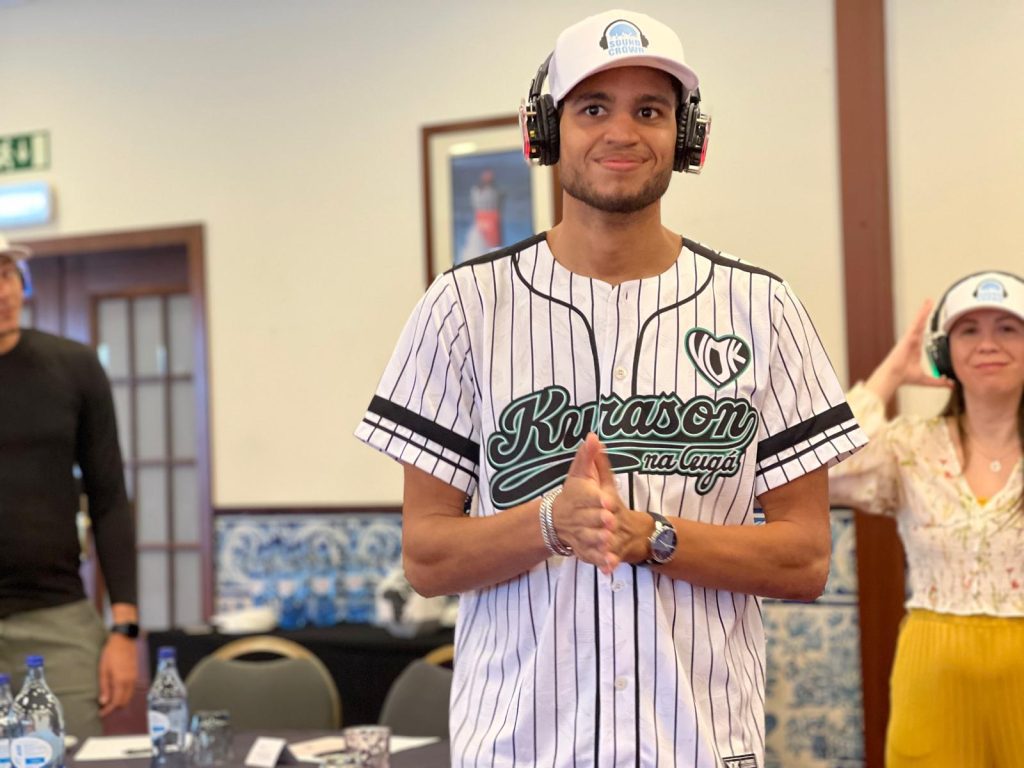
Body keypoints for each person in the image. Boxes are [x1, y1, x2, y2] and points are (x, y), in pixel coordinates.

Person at [356, 9, 865, 766]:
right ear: (546, 131)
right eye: (593, 107)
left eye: (650, 110)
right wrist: (550, 526)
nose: (621, 132)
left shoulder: (764, 309)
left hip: (698, 746)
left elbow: (805, 559)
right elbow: (427, 557)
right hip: (519, 748)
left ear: (685, 139)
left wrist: (654, 537)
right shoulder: (462, 308)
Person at [829, 270, 1024, 767]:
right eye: (968, 329)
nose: (988, 344)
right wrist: (891, 372)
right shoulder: (911, 445)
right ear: (944, 350)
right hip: (932, 672)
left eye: (1008, 327)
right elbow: (826, 470)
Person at [0, 234, 139, 737]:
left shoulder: (73, 366)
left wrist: (124, 629)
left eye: (7, 275)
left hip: (57, 619)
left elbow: (109, 499)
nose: (2, 292)